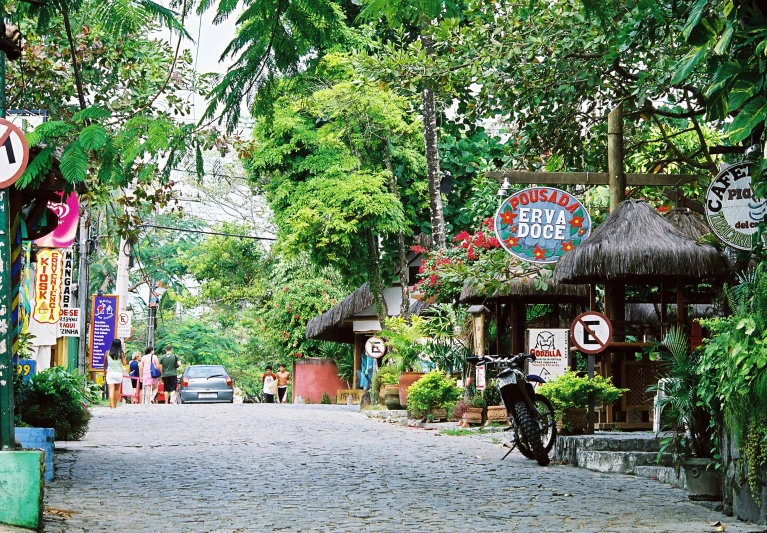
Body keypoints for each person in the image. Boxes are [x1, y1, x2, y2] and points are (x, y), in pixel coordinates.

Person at [104, 339, 127, 409]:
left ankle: (111, 406)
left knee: (111, 390)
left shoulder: (107, 353)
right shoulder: (121, 353)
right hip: (118, 373)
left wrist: (104, 371)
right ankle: (115, 405)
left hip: (110, 373)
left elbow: (104, 364)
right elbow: (124, 363)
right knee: (116, 390)